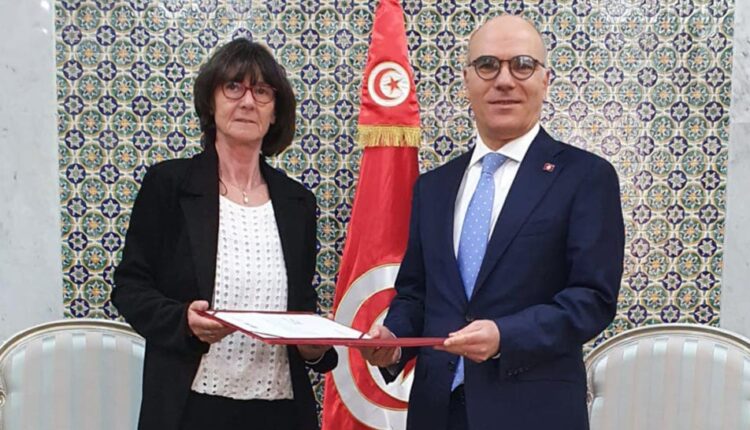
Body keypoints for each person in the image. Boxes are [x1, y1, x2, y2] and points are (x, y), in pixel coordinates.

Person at [360, 15, 624, 430]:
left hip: (534, 413)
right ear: (466, 81)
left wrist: (505, 335)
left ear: (545, 81)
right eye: (487, 65)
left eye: (522, 65)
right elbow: (416, 293)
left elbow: (592, 298)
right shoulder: (433, 187)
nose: (504, 80)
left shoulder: (586, 177)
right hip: (436, 412)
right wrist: (393, 340)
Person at [112, 38, 336, 430]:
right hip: (191, 407)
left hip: (281, 408)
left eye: (262, 91)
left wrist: (313, 347)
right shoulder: (169, 184)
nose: (247, 101)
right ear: (211, 101)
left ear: (275, 112)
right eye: (233, 87)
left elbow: (301, 305)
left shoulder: (297, 202)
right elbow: (129, 288)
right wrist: (183, 320)